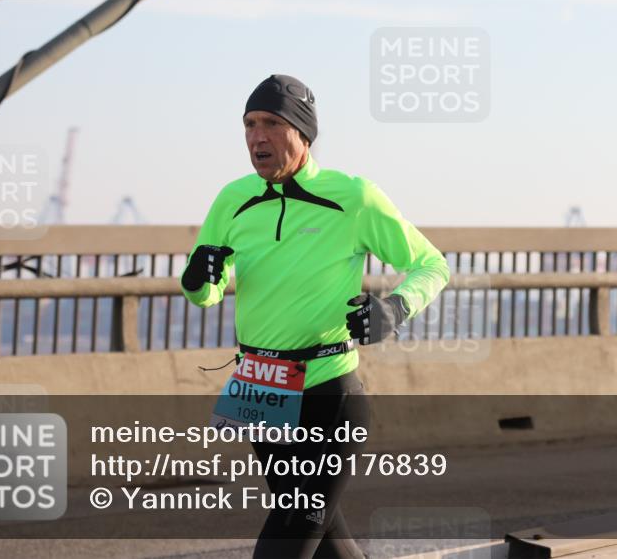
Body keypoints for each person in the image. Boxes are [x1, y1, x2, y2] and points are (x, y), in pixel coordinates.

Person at [181, 74, 450, 558]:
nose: (256, 137)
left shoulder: (353, 197)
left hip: (328, 392)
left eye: (270, 123)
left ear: (303, 133)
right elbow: (206, 294)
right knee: (321, 530)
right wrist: (199, 279)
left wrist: (395, 307)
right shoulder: (232, 199)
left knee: (294, 527)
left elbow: (432, 264)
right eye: (248, 124)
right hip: (260, 389)